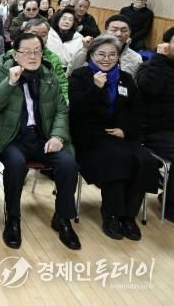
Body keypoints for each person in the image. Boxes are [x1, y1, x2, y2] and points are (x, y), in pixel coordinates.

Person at [0, 33, 80, 250]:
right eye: (26, 51)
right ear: (15, 54)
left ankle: (63, 218)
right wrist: (10, 82)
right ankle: (13, 219)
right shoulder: (2, 72)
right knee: (15, 164)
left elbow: (61, 110)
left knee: (68, 164)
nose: (33, 56)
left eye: (37, 51)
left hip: (43, 137)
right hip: (11, 137)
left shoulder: (49, 75)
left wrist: (57, 136)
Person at [69, 35, 158, 240]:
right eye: (101, 54)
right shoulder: (81, 76)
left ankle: (128, 216)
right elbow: (76, 111)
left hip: (122, 135)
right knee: (117, 158)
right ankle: (111, 214)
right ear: (91, 55)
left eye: (112, 55)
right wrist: (95, 88)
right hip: (91, 136)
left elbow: (138, 110)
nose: (106, 59)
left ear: (118, 57)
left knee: (146, 161)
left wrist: (125, 130)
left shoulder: (125, 78)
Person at [137, 27, 174, 222]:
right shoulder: (150, 66)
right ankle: (170, 204)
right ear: (166, 45)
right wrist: (159, 58)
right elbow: (150, 89)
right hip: (153, 130)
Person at [67, 14, 143, 78]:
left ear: (129, 33)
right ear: (106, 31)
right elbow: (71, 73)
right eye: (114, 30)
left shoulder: (136, 58)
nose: (119, 34)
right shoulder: (89, 50)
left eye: (124, 30)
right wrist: (85, 50)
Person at [21, 18, 69, 102]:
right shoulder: (11, 56)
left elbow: (62, 84)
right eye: (34, 34)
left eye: (43, 35)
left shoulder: (53, 58)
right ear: (25, 34)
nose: (38, 38)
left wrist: (65, 103)